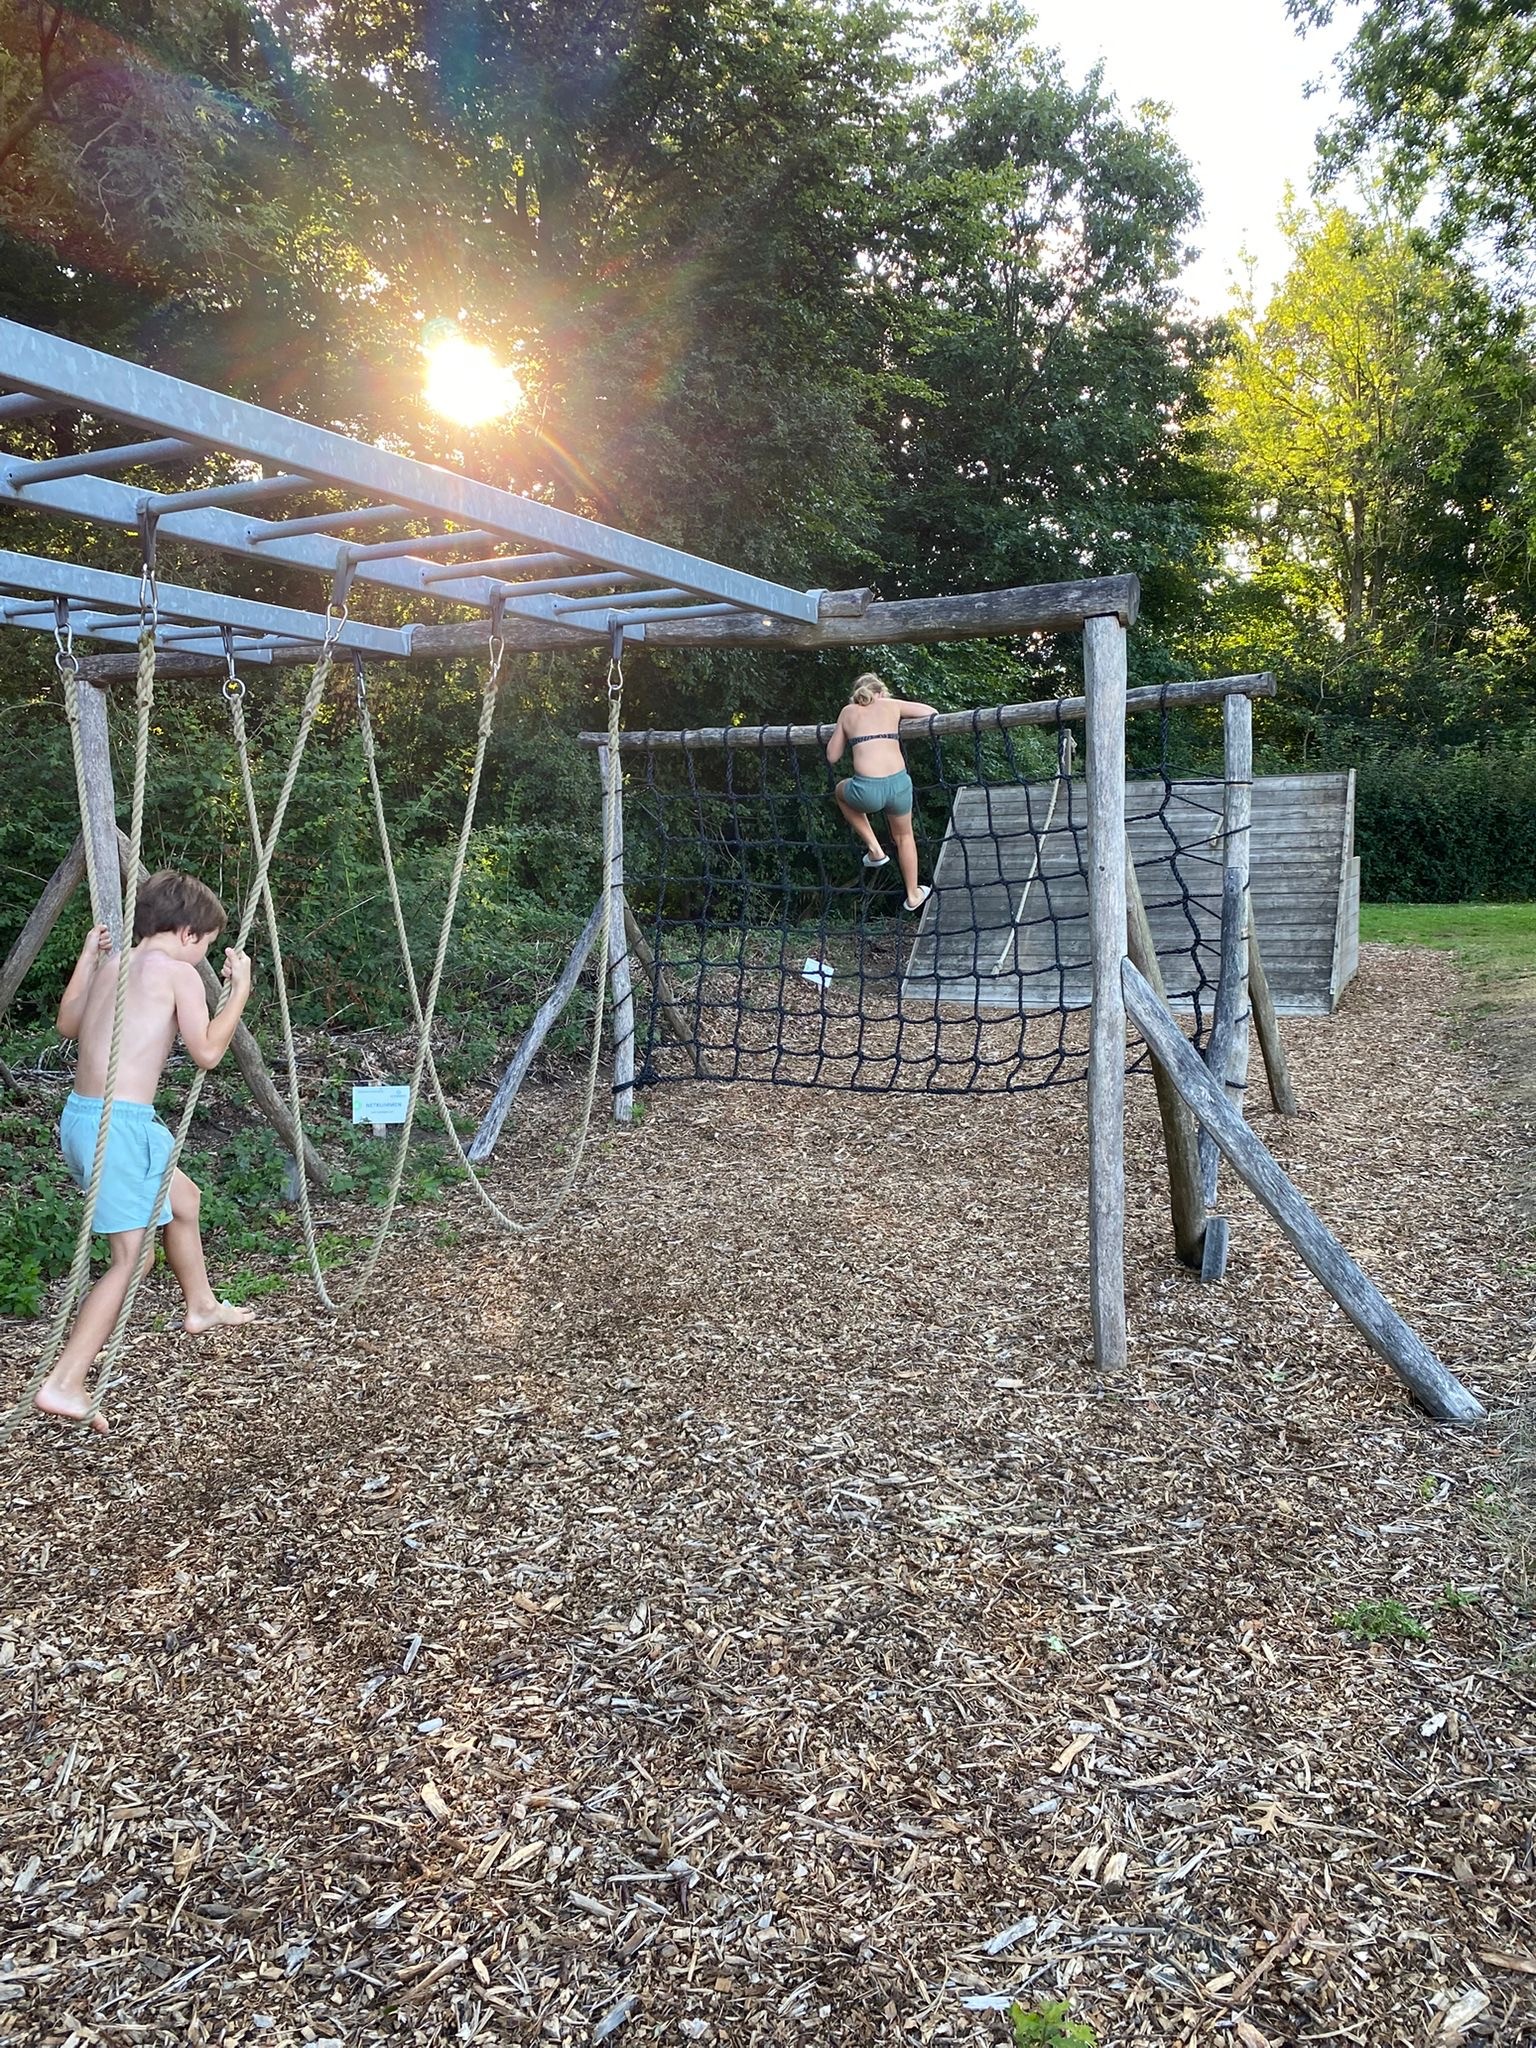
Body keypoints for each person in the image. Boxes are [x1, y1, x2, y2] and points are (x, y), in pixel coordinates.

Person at [36, 870, 256, 1434]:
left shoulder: (117, 963)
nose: (204, 956)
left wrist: (87, 959)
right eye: (207, 946)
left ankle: (200, 1304)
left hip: (86, 1118)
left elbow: (67, 1023)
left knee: (184, 1200)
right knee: (131, 1260)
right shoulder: (178, 973)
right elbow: (207, 1052)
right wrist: (238, 993)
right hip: (120, 1129)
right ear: (188, 934)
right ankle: (64, 1381)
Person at [825, 672, 936, 911]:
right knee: (904, 836)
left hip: (867, 790)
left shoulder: (848, 712)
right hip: (899, 785)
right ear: (880, 692)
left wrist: (844, 729)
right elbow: (931, 712)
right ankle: (913, 894)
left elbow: (832, 756)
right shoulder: (891, 704)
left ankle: (875, 849)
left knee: (840, 790)